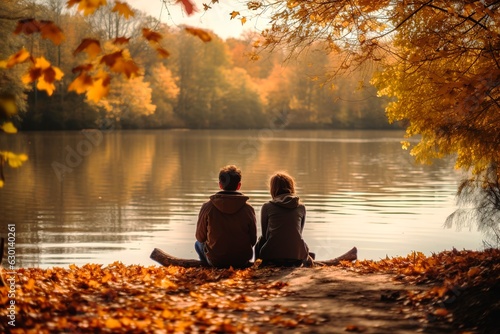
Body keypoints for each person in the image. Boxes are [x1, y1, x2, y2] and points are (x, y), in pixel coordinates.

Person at [195, 165, 257, 268]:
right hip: (241, 261)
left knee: (197, 244)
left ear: (220, 185)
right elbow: (253, 240)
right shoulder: (248, 209)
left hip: (216, 261)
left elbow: (200, 237)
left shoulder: (208, 207)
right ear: (239, 186)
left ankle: (207, 268)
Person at [255, 172, 312, 266]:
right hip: (296, 257)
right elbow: (299, 232)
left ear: (273, 189)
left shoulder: (267, 206)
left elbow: (265, 235)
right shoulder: (301, 207)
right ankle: (305, 261)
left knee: (260, 240)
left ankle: (258, 265)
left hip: (271, 257)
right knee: (297, 238)